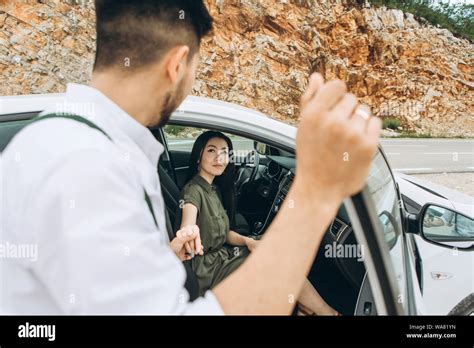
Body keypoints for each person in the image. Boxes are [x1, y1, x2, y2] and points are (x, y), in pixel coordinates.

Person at [0, 0, 381, 314]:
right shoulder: (86, 165)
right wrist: (318, 188)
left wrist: (163, 255)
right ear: (177, 64)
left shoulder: (86, 147)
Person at [177, 131, 339, 315]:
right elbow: (188, 221)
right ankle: (327, 313)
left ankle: (304, 307)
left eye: (224, 151)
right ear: (198, 157)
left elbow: (225, 233)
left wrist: (248, 241)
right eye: (211, 151)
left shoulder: (213, 189)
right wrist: (188, 231)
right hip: (208, 270)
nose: (219, 157)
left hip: (222, 256)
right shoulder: (193, 191)